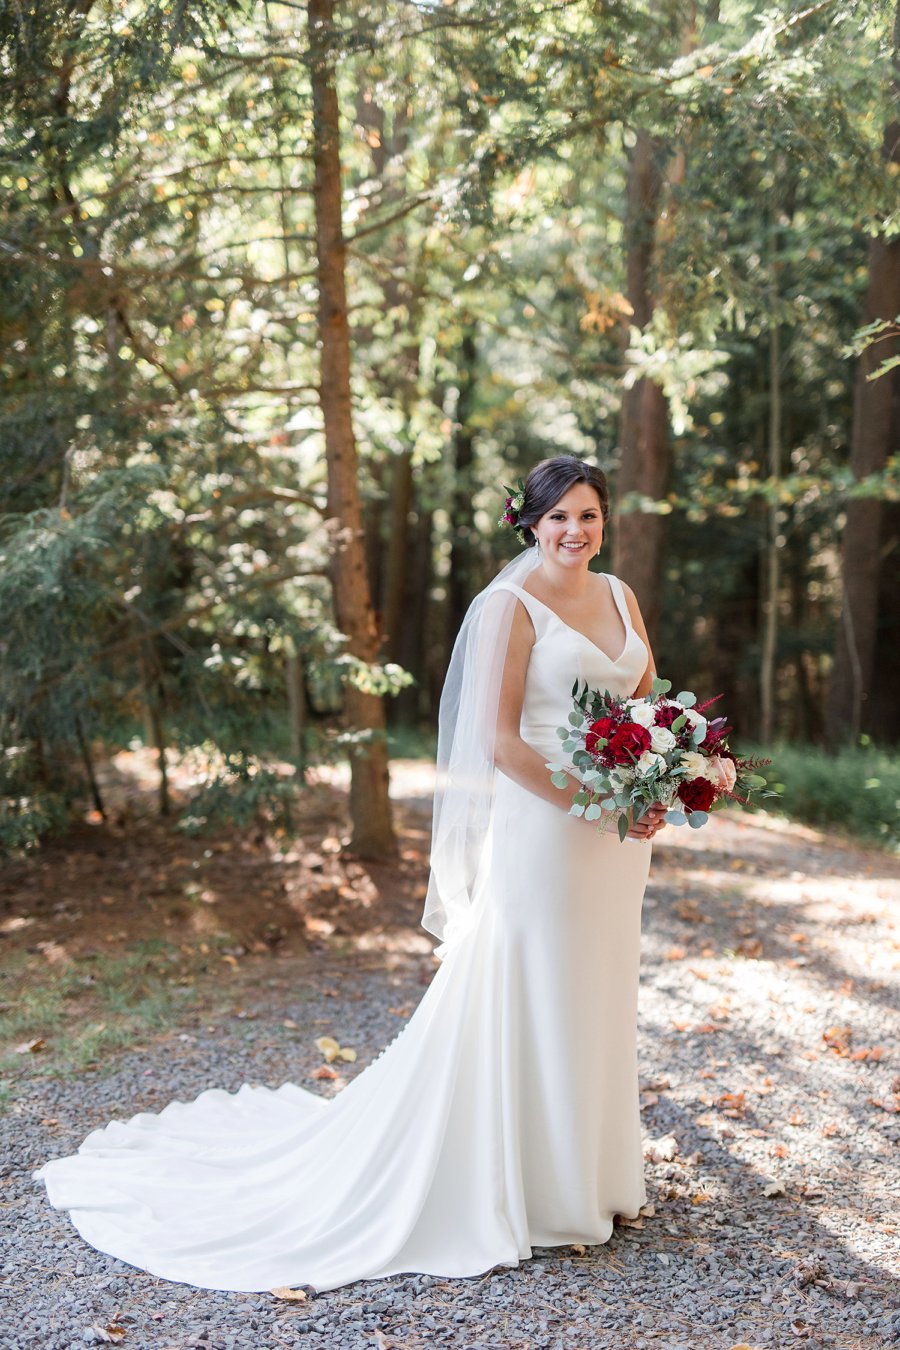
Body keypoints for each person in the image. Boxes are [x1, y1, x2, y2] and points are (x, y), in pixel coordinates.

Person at [34, 454, 666, 1293]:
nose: (575, 532)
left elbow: (648, 703)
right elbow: (501, 744)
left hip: (619, 837)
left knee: (598, 985)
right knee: (540, 983)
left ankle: (596, 1178)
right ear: (530, 523)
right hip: (550, 829)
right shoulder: (507, 608)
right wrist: (593, 805)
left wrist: (660, 777)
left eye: (588, 516)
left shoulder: (621, 596)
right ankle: (538, 1189)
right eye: (559, 518)